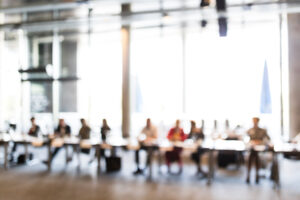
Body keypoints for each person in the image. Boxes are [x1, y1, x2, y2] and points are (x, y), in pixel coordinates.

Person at [246, 117, 270, 184]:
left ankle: (250, 175)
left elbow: (268, 139)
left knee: (254, 155)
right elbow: (245, 139)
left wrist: (260, 142)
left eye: (256, 122)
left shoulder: (263, 131)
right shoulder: (250, 130)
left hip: (260, 149)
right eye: (253, 121)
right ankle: (256, 175)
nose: (254, 123)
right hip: (252, 148)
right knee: (253, 154)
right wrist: (252, 142)